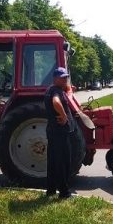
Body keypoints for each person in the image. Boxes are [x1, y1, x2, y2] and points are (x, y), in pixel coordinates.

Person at [44, 67, 74, 199]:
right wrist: (64, 116)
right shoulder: (56, 91)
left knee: (53, 161)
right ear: (55, 78)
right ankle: (64, 192)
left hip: (53, 131)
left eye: (66, 77)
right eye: (62, 78)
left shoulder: (51, 89)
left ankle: (50, 190)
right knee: (63, 162)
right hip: (59, 132)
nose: (65, 79)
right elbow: (56, 102)